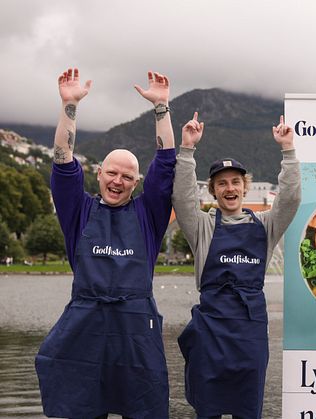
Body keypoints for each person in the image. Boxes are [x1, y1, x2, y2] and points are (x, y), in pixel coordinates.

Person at [35, 68, 176, 419]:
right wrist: (69, 105)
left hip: (135, 332)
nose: (118, 180)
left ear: (135, 182)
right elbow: (62, 160)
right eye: (111, 173)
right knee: (81, 409)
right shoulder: (77, 209)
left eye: (127, 176)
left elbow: (166, 164)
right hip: (86, 326)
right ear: (99, 174)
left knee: (143, 411)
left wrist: (162, 109)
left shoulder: (149, 214)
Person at [172, 113, 300, 419]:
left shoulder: (266, 224)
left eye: (235, 182)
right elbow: (182, 197)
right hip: (210, 331)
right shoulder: (201, 225)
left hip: (250, 331)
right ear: (212, 191)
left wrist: (288, 151)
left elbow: (291, 198)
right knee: (208, 409)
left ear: (245, 187)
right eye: (221, 183)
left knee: (248, 409)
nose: (229, 188)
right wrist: (187, 150)